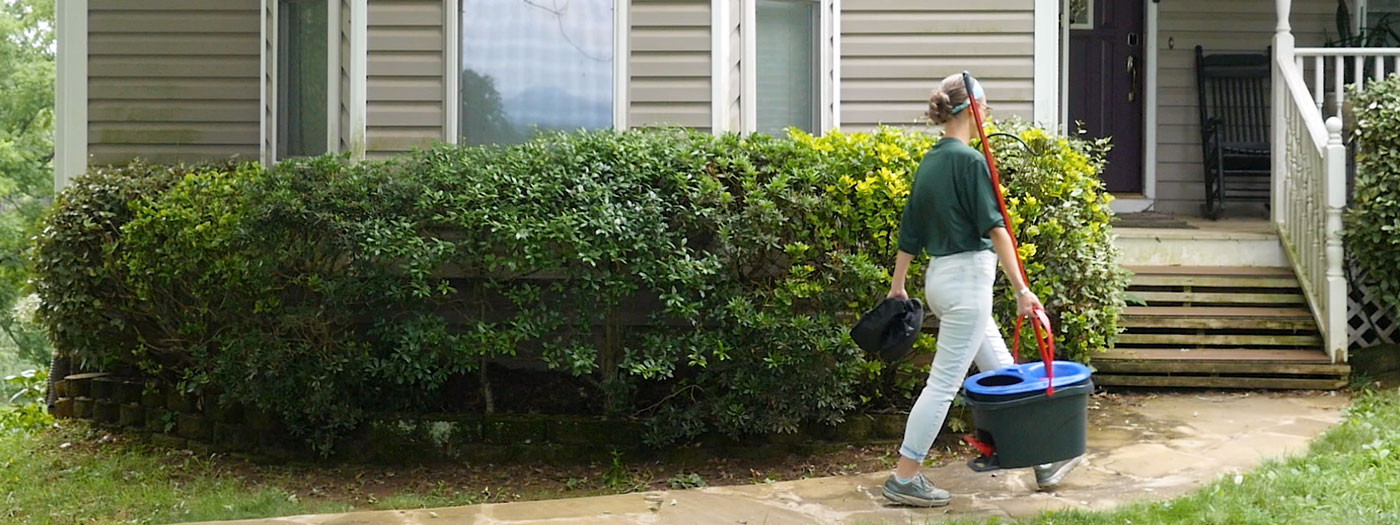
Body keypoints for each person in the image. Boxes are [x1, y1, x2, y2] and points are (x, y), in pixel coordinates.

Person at [880, 73, 1082, 507]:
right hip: (968, 284)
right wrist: (1022, 290)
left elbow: (909, 232)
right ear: (972, 109)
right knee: (942, 385)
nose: (988, 118)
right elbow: (997, 230)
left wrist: (898, 286)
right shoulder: (970, 162)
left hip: (941, 281)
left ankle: (1041, 458)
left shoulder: (931, 161)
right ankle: (904, 477)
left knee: (1005, 372)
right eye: (985, 110)